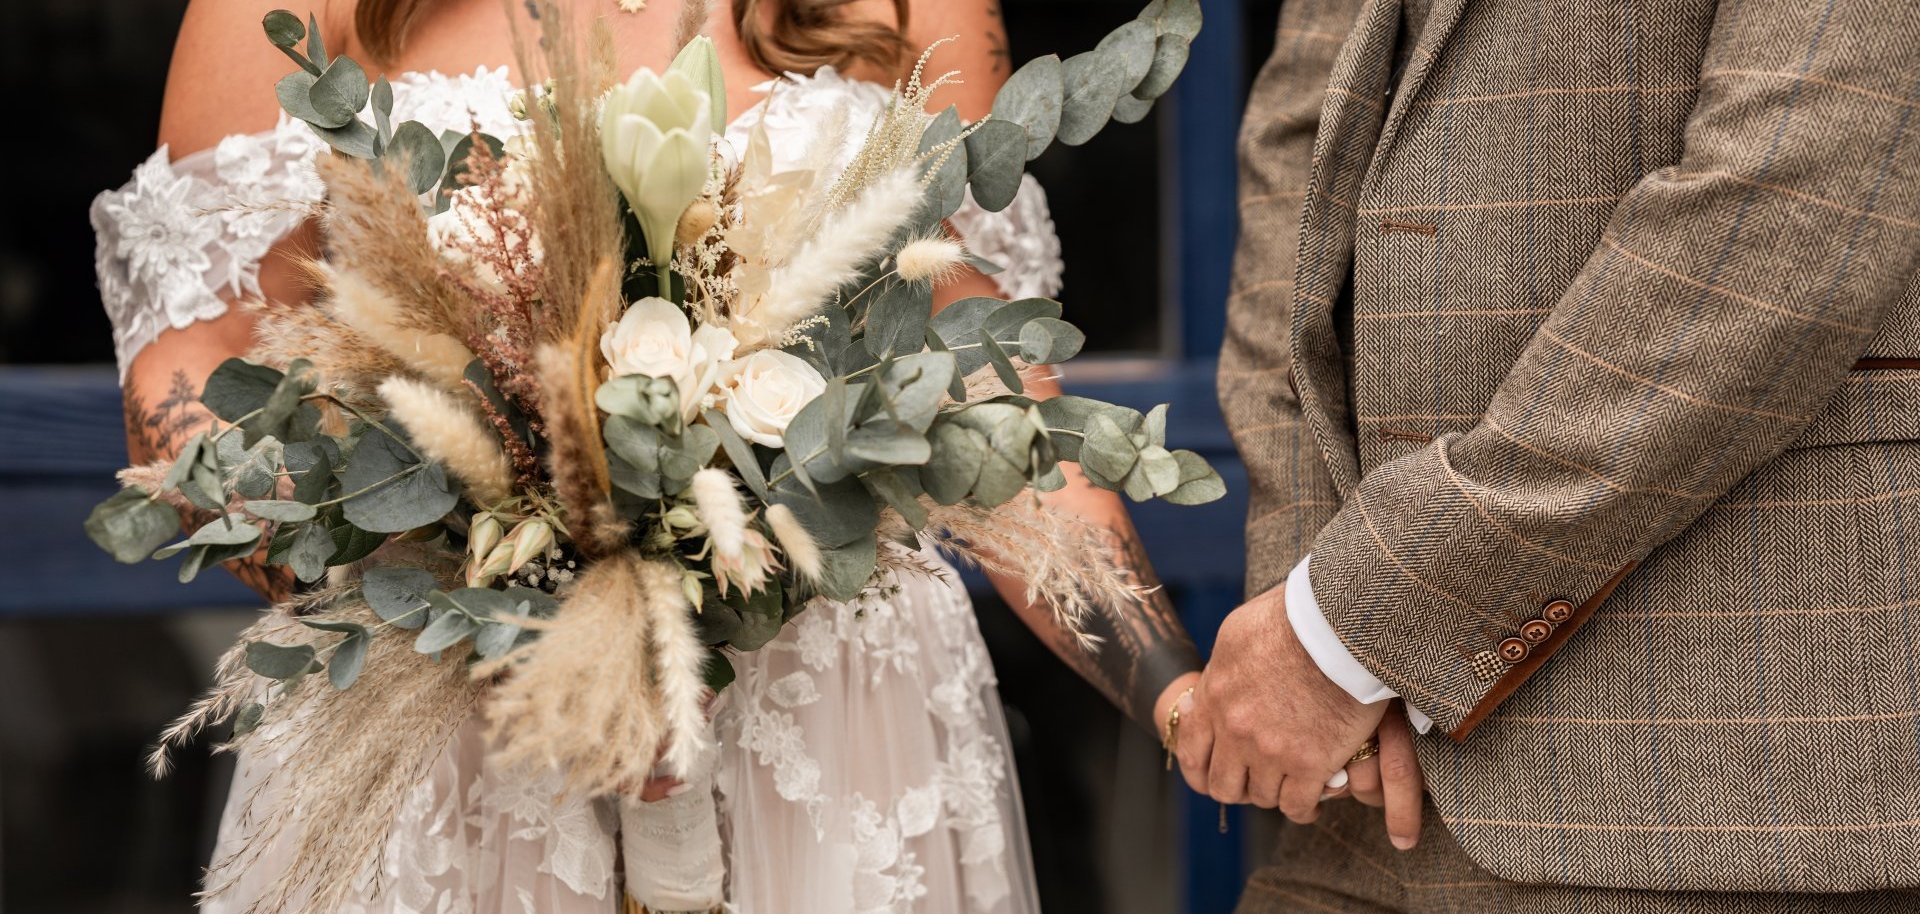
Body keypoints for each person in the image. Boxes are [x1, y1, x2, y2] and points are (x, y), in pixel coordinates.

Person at [92, 1, 1204, 911]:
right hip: (454, 721)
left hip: (834, 723)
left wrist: (1174, 694)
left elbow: (985, 393)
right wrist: (464, 602)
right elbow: (193, 360)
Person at [1175, 0, 1920, 911]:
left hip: (1723, 774)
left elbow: (1790, 202)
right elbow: (1296, 169)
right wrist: (1306, 625)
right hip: (1353, 818)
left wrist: (1355, 622)